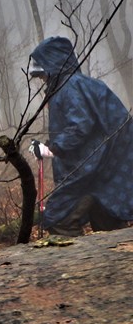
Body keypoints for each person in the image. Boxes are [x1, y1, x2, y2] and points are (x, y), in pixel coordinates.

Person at [27, 36, 133, 236]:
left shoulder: (71, 86)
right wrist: (52, 147)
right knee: (108, 225)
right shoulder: (80, 85)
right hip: (106, 169)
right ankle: (110, 264)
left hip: (94, 169)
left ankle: (80, 265)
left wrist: (52, 148)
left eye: (43, 75)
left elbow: (80, 125)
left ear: (53, 67)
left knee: (59, 219)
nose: (43, 80)